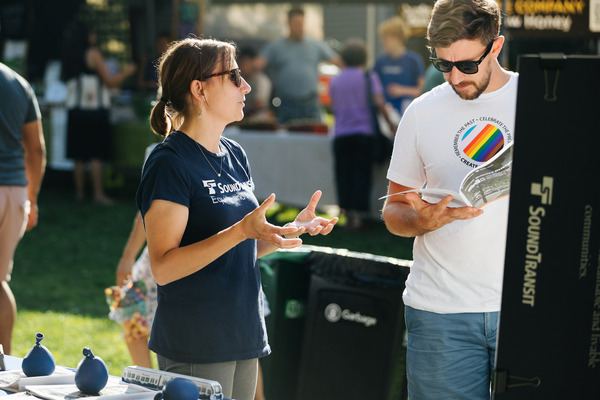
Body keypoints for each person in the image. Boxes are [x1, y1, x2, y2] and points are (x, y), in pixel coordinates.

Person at [136, 37, 338, 400]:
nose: (246, 85)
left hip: (243, 334)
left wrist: (284, 231)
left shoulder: (234, 153)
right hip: (196, 342)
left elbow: (238, 247)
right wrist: (239, 231)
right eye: (233, 76)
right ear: (199, 89)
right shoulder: (169, 162)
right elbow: (164, 267)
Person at [381, 0, 518, 398]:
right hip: (440, 312)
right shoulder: (422, 112)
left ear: (495, 47)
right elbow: (394, 209)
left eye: (467, 65)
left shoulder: (539, 102)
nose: (455, 77)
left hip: (526, 308)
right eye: (443, 65)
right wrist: (420, 221)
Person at [61, 22, 136, 205]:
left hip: (75, 109)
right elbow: (110, 82)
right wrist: (127, 72)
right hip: (94, 110)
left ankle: (79, 194)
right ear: (87, 35)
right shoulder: (93, 54)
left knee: (78, 155)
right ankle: (98, 194)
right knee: (95, 154)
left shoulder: (69, 56)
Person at [0, 59, 46, 354]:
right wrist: (32, 197)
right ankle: (3, 364)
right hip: (15, 194)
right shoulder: (19, 83)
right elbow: (37, 149)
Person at [329, 39, 395, 230]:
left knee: (343, 176)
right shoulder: (368, 77)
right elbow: (380, 103)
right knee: (361, 176)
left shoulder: (336, 80)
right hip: (363, 134)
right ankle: (358, 217)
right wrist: (391, 125)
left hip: (340, 134)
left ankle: (346, 215)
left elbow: (332, 108)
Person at [256, 7, 342, 125]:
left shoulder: (315, 45)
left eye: (301, 23)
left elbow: (339, 62)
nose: (299, 27)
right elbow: (257, 64)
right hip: (285, 102)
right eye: (296, 23)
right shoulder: (276, 47)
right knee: (284, 139)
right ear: (288, 24)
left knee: (316, 137)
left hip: (310, 102)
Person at [373, 16, 425, 118]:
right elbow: (374, 88)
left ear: (397, 38)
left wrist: (400, 90)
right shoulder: (380, 62)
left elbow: (421, 90)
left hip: (408, 112)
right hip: (386, 114)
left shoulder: (414, 60)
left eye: (386, 38)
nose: (383, 42)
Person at [237, 47, 273, 122]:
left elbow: (258, 105)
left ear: (253, 63)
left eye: (246, 63)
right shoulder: (238, 79)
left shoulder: (262, 81)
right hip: (241, 120)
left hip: (258, 122)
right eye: (241, 63)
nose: (243, 66)